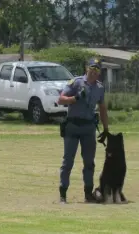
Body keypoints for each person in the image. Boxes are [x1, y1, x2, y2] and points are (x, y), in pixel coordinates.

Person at [57, 58, 109, 204]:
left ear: (99, 72)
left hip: (88, 127)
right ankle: (63, 194)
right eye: (92, 68)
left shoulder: (100, 88)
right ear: (87, 68)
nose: (94, 71)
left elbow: (103, 108)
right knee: (68, 161)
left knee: (89, 162)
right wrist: (75, 98)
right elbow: (60, 100)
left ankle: (88, 193)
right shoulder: (76, 82)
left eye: (97, 69)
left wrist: (106, 129)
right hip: (73, 126)